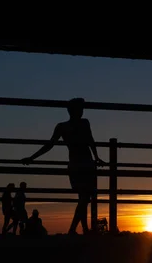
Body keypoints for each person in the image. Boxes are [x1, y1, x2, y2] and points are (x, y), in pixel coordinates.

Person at [21, 97, 106, 235]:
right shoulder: (80, 124)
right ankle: (73, 229)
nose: (82, 111)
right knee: (84, 199)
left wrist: (32, 158)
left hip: (78, 164)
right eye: (80, 109)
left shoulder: (63, 126)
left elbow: (51, 144)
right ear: (74, 110)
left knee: (83, 198)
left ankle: (83, 229)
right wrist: (32, 157)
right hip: (84, 163)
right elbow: (90, 140)